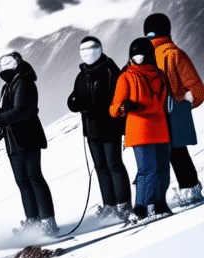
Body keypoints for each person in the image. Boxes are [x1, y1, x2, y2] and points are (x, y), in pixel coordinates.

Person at [0, 51, 57, 236]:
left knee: (34, 178)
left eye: (9, 61)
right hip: (14, 141)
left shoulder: (24, 82)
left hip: (27, 137)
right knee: (23, 181)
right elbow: (1, 110)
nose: (5, 65)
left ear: (18, 63)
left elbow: (21, 111)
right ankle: (33, 220)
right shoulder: (8, 86)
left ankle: (47, 222)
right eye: (3, 62)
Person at [67, 36, 133, 221]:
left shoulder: (110, 71)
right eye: (83, 50)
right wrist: (74, 103)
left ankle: (124, 206)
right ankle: (110, 206)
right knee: (101, 167)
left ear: (99, 49)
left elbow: (117, 96)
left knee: (114, 165)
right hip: (92, 129)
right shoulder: (82, 75)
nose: (86, 53)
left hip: (109, 125)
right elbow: (75, 97)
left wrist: (87, 103)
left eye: (90, 48)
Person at [145, 12, 204, 206]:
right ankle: (190, 190)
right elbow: (196, 88)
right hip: (173, 113)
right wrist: (187, 102)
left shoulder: (143, 58)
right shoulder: (175, 53)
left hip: (153, 116)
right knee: (179, 153)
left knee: (161, 157)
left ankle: (159, 199)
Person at [112, 37, 173, 219]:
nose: (137, 58)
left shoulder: (160, 76)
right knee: (148, 169)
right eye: (134, 54)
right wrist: (124, 107)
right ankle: (140, 208)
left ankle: (159, 204)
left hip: (159, 129)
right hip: (141, 131)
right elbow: (114, 108)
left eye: (141, 54)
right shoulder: (126, 77)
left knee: (161, 169)